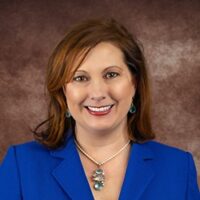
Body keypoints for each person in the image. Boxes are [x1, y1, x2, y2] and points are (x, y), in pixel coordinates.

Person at [0, 18, 199, 200]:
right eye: (80, 78)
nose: (97, 93)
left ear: (135, 83)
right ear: (63, 91)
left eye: (111, 74)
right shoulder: (22, 165)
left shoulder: (178, 167)